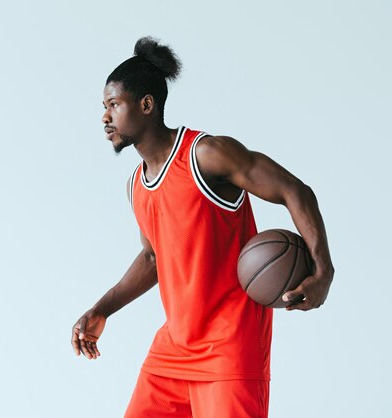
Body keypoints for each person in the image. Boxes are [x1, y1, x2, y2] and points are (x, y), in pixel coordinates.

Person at [70, 36, 334, 418]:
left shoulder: (206, 155)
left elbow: (294, 191)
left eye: (114, 105)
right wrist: (102, 309)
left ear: (146, 105)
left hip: (230, 348)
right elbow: (153, 257)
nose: (105, 116)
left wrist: (323, 271)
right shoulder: (137, 184)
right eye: (103, 107)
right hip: (174, 349)